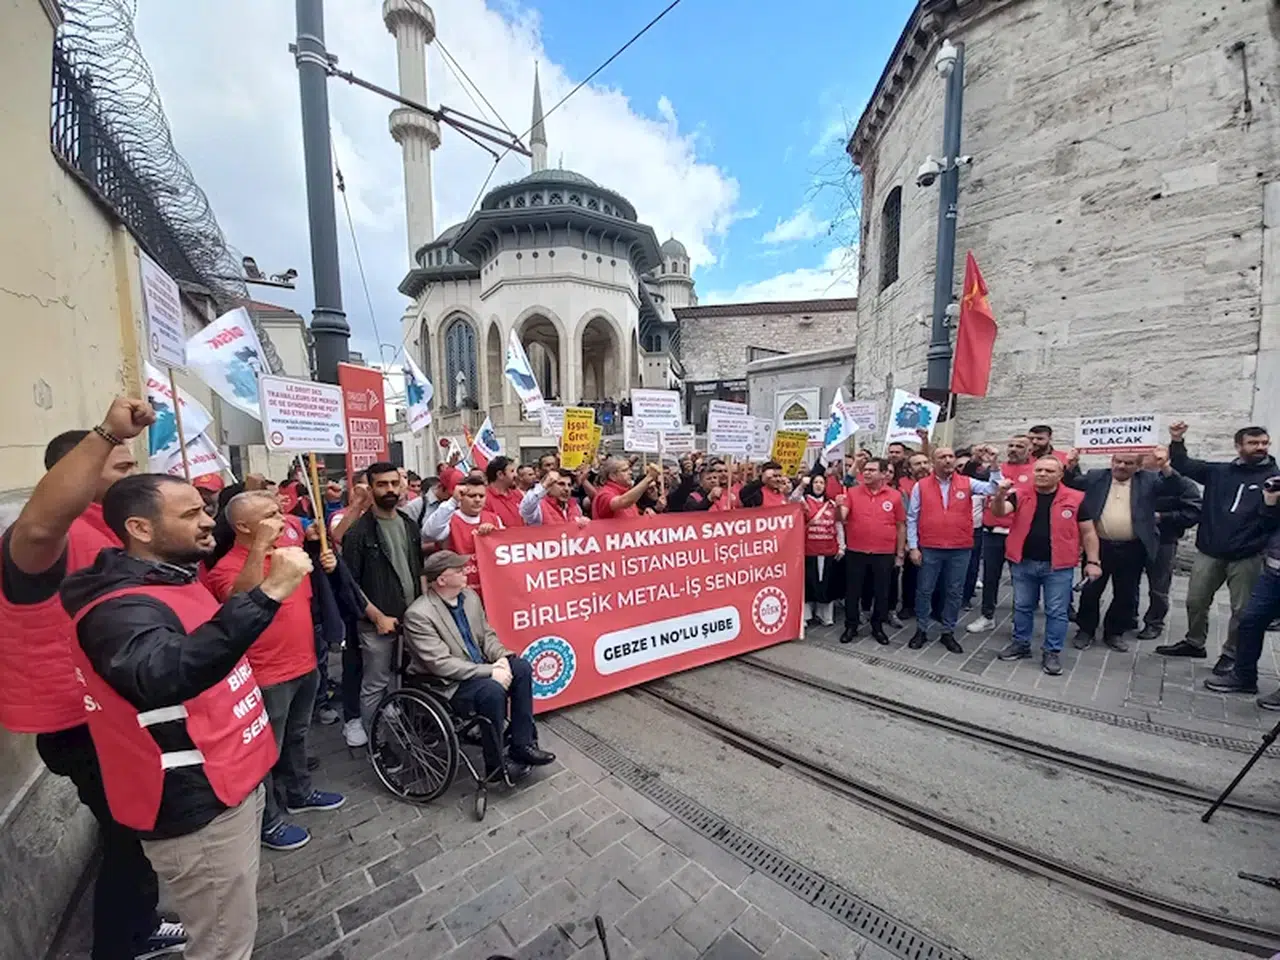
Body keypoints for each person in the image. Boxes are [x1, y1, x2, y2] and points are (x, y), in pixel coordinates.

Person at [61, 473, 314, 960]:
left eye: (205, 509)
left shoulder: (174, 577)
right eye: (191, 514)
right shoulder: (119, 609)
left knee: (226, 922)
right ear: (140, 528)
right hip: (198, 799)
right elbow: (163, 673)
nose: (208, 522)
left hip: (232, 780)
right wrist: (269, 594)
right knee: (222, 945)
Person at [0, 398, 187, 960]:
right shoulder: (47, 539)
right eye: (122, 467)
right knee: (131, 836)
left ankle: (138, 925)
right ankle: (120, 944)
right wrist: (107, 432)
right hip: (79, 722)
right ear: (76, 475)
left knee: (135, 834)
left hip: (111, 712)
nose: (135, 474)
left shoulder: (103, 532)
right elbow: (37, 523)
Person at [204, 492, 346, 852]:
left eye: (279, 511)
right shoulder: (226, 567)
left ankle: (299, 792)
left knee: (297, 736)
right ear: (243, 527)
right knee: (264, 751)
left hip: (304, 663)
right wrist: (259, 550)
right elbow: (241, 600)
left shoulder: (287, 553)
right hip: (265, 674)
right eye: (269, 515)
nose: (281, 518)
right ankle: (267, 820)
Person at [401, 551, 555, 782]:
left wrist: (502, 658)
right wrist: (490, 672)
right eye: (458, 570)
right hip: (446, 684)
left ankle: (522, 744)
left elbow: (486, 636)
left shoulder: (469, 597)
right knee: (492, 690)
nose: (465, 572)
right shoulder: (418, 615)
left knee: (521, 667)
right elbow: (442, 664)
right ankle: (495, 766)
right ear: (441, 580)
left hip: (478, 668)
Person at [1158, 423, 1280, 674]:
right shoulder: (1220, 472)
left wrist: (1271, 504)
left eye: (1264, 443)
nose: (1260, 448)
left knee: (1241, 610)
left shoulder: (1274, 479)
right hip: (1210, 550)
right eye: (1253, 443)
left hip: (1247, 555)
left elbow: (1274, 522)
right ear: (1238, 446)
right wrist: (1176, 439)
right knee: (1195, 600)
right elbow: (1184, 464)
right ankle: (1194, 642)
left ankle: (1231, 653)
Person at [988, 458, 1101, 675]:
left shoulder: (1076, 498)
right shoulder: (1020, 493)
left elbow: (1088, 533)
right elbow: (999, 512)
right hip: (1023, 562)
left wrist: (1093, 562)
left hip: (1058, 565)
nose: (1042, 474)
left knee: (1057, 611)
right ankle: (1021, 644)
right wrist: (1000, 494)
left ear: (1060, 475)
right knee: (1022, 606)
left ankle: (1052, 651)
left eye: (1049, 471)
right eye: (1038, 470)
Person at [341, 462, 422, 735]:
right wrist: (376, 616)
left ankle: (404, 727)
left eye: (393, 483)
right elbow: (350, 584)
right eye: (381, 484)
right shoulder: (358, 533)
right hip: (377, 623)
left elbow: (417, 570)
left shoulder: (409, 524)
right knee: (375, 684)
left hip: (410, 618)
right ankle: (379, 744)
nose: (389, 490)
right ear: (370, 488)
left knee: (404, 677)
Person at [906, 447, 1001, 653]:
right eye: (942, 457)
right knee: (924, 590)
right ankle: (921, 629)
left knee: (954, 591)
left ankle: (947, 632)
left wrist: (994, 466)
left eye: (950, 457)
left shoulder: (967, 482)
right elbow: (912, 517)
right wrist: (913, 546)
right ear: (934, 462)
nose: (948, 460)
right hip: (930, 547)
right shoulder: (920, 486)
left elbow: (994, 489)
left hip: (960, 548)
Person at [1065, 452, 1162, 652]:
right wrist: (1070, 466)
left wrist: (1166, 465)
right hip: (1099, 546)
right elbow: (1070, 484)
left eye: (1128, 463)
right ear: (1111, 462)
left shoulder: (1149, 480)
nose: (1122, 466)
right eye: (1118, 461)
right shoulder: (1096, 476)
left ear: (1138, 466)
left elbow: (1177, 487)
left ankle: (1114, 632)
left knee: (1125, 593)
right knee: (1091, 590)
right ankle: (1086, 630)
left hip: (1132, 546)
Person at [1204, 475, 1280, 708]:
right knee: (1249, 621)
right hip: (1273, 574)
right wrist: (1269, 503)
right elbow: (1266, 527)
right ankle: (1244, 676)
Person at [967, 436, 1035, 635]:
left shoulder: (1036, 470)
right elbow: (970, 478)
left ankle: (1019, 619)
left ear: (1030, 450)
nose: (1014, 449)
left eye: (1020, 446)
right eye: (1011, 445)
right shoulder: (997, 468)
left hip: (1019, 533)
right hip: (992, 532)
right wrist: (978, 458)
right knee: (990, 577)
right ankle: (987, 616)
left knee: (1021, 579)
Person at [1135, 446, 1202, 641]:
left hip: (1164, 540)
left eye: (1150, 454)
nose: (1143, 457)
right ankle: (1128, 616)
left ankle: (1154, 622)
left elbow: (1193, 513)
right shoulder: (1136, 479)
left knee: (1159, 585)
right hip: (1134, 538)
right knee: (1128, 582)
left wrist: (1162, 517)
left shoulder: (1183, 484)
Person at [840, 458, 906, 644]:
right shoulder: (852, 492)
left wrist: (900, 553)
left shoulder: (894, 496)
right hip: (856, 550)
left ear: (884, 474)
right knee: (853, 591)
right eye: (865, 470)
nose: (867, 473)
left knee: (882, 592)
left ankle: (877, 626)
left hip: (883, 552)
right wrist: (839, 507)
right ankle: (850, 626)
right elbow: (841, 518)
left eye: (872, 470)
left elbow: (901, 525)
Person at [421, 473, 505, 589]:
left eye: (481, 496)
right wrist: (453, 501)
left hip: (489, 589)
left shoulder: (494, 519)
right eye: (472, 496)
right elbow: (429, 533)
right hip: (458, 590)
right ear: (461, 496)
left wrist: (496, 535)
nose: (477, 500)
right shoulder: (450, 519)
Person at [801, 474, 844, 626]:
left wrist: (842, 546)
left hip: (828, 549)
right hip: (808, 549)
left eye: (821, 482)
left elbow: (838, 525)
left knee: (826, 585)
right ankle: (805, 616)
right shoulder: (803, 501)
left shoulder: (832, 504)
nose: (818, 485)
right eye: (815, 482)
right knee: (808, 584)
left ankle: (825, 615)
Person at [593, 458, 661, 519]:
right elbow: (623, 501)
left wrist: (643, 519)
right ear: (612, 476)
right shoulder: (604, 494)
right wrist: (649, 478)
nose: (630, 473)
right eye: (625, 470)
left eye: (629, 469)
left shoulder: (626, 492)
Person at [520, 469, 590, 526]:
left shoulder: (576, 507)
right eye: (561, 484)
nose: (567, 489)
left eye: (569, 485)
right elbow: (524, 510)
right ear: (549, 487)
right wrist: (544, 485)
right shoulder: (539, 507)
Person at [483, 456, 526, 529]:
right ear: (500, 474)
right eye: (512, 471)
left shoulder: (518, 494)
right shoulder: (484, 497)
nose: (516, 475)